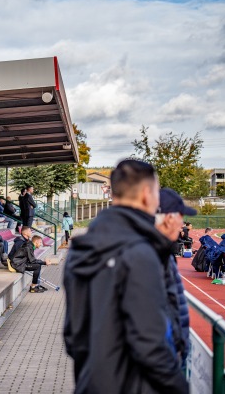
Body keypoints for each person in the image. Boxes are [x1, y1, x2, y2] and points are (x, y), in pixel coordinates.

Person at [63, 159, 188, 394]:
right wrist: (179, 387)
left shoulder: (80, 249)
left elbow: (72, 337)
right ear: (145, 194)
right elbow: (150, 344)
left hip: (90, 383)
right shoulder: (140, 252)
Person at [155, 188, 195, 368]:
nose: (182, 226)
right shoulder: (150, 256)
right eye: (181, 218)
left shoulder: (164, 253)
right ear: (170, 218)